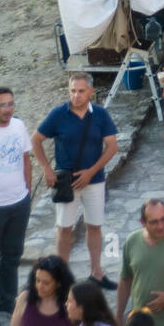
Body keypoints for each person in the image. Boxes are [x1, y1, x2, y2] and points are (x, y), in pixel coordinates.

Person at [31, 73, 118, 290]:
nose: (76, 95)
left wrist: (91, 172)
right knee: (64, 228)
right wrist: (46, 168)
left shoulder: (100, 114)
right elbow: (36, 139)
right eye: (72, 90)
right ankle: (62, 278)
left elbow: (112, 147)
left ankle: (96, 273)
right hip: (66, 182)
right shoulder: (58, 114)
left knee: (95, 226)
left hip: (94, 180)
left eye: (80, 91)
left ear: (91, 92)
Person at [0, 86, 32, 326]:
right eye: (2, 105)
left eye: (10, 104)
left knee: (12, 256)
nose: (7, 110)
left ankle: (7, 300)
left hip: (18, 203)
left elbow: (25, 159)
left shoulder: (19, 126)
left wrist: (27, 192)